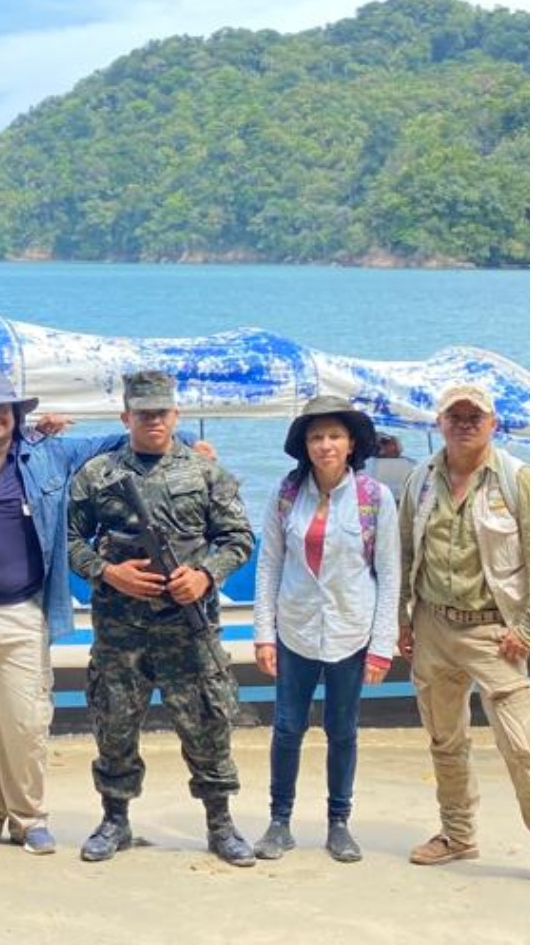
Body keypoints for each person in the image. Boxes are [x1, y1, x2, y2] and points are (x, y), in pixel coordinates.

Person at [0, 370, 143, 856]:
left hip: (23, 611)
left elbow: (124, 439)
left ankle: (29, 816)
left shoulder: (50, 456)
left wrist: (189, 445)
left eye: (3, 408)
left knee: (26, 721)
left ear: (17, 415)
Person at [66, 369, 257, 866]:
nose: (153, 420)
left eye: (162, 412)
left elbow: (238, 538)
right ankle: (115, 820)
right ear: (126, 416)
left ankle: (220, 823)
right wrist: (109, 573)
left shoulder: (206, 473)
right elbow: (66, 542)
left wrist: (206, 576)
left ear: (175, 415)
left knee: (208, 724)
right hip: (120, 631)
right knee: (114, 724)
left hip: (187, 628)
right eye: (143, 412)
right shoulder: (97, 475)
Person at [250, 395, 400, 863]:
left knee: (343, 729)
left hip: (351, 630)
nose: (325, 445)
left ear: (351, 442)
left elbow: (389, 572)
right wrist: (262, 632)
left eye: (334, 435)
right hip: (295, 626)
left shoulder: (375, 499)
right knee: (287, 727)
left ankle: (339, 822)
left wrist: (382, 646)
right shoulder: (286, 493)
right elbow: (269, 564)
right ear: (305, 445)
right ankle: (279, 821)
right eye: (316, 437)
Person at [397, 384, 528, 866]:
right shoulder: (420, 480)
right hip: (432, 625)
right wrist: (401, 619)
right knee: (445, 741)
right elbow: (406, 550)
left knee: (523, 746)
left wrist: (527, 630)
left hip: (496, 632)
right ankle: (457, 836)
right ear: (440, 423)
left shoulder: (516, 480)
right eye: (456, 415)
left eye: (476, 416)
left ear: (493, 423)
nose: (466, 423)